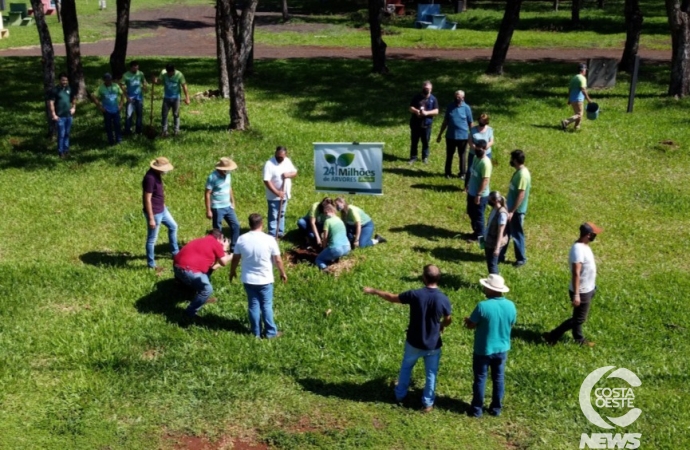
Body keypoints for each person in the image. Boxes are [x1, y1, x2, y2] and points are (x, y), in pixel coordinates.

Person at [363, 265, 452, 413]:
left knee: (406, 367)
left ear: (424, 277)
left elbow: (392, 298)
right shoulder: (443, 298)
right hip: (433, 344)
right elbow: (448, 319)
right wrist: (442, 324)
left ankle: (399, 395)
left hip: (414, 342)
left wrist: (374, 291)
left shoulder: (415, 294)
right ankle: (427, 403)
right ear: (439, 278)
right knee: (431, 373)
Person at [464, 274, 516, 418]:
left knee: (480, 378)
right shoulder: (511, 305)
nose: (484, 288)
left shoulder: (482, 306)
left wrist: (468, 321)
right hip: (502, 348)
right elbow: (511, 323)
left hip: (484, 349)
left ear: (491, 289)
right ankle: (496, 409)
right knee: (498, 379)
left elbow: (471, 325)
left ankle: (477, 409)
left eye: (486, 287)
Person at [230, 213, 288, 339]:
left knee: (253, 305)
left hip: (248, 279)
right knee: (266, 306)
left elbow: (235, 258)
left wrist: (232, 271)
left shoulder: (241, 239)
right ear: (261, 224)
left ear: (249, 224)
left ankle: (255, 332)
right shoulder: (269, 239)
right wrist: (282, 273)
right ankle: (270, 333)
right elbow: (277, 260)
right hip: (265, 279)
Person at [544, 222, 602, 347]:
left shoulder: (584, 246)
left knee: (577, 316)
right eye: (594, 234)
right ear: (588, 235)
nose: (595, 236)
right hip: (581, 290)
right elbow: (576, 273)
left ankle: (579, 339)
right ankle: (552, 335)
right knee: (579, 319)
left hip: (588, 288)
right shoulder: (578, 250)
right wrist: (576, 295)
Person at [173, 229, 233, 317]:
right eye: (223, 239)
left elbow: (212, 267)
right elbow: (223, 262)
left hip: (176, 267)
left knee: (207, 272)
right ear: (219, 238)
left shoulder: (199, 240)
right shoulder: (215, 243)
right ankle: (190, 312)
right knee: (207, 289)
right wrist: (227, 251)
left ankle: (183, 286)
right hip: (188, 270)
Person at [142, 157, 179, 269]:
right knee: (152, 239)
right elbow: (147, 198)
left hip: (162, 209)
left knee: (173, 226)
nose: (165, 171)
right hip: (155, 213)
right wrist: (151, 218)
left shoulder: (157, 174)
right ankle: (151, 264)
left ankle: (175, 252)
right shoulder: (150, 178)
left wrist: (163, 205)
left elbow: (157, 194)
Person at [501, 150, 531, 267]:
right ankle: (500, 255)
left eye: (512, 158)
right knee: (506, 232)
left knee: (517, 234)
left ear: (515, 160)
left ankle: (521, 259)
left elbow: (521, 194)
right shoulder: (519, 172)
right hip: (511, 209)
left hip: (516, 211)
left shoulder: (523, 175)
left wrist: (512, 211)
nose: (510, 161)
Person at [205, 157, 240, 253]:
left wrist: (233, 201)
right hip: (217, 207)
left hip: (228, 206)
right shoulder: (212, 177)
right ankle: (218, 250)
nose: (229, 171)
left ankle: (234, 247)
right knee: (217, 230)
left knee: (236, 225)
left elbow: (229, 188)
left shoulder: (228, 175)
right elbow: (207, 193)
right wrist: (208, 210)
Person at [436, 90, 473, 179]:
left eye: (459, 96)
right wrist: (440, 134)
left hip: (463, 137)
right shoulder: (450, 106)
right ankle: (448, 172)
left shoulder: (466, 108)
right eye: (456, 96)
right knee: (449, 155)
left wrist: (473, 136)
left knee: (462, 155)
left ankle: (462, 173)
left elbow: (470, 123)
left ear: (463, 98)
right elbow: (445, 121)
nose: (457, 98)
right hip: (450, 136)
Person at [263, 146, 298, 238]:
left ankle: (280, 232)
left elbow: (295, 172)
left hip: (285, 194)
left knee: (281, 214)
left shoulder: (287, 161)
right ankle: (272, 234)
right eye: (277, 156)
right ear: (275, 153)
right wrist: (277, 192)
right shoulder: (269, 164)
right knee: (273, 215)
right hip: (273, 196)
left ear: (285, 155)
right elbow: (266, 181)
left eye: (281, 157)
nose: (279, 158)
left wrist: (288, 174)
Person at [465, 139, 492, 242]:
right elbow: (473, 173)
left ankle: (480, 237)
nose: (477, 151)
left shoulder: (486, 163)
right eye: (476, 148)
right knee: (471, 212)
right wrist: (468, 184)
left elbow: (485, 180)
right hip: (472, 192)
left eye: (479, 149)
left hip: (480, 195)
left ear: (485, 149)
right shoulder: (476, 158)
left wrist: (478, 194)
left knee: (479, 216)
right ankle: (476, 232)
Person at [154, 63, 190, 137]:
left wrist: (187, 98)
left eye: (172, 72)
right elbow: (158, 81)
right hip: (166, 97)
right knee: (164, 114)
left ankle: (176, 131)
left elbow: (184, 86)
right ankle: (164, 131)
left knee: (176, 114)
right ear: (167, 71)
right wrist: (154, 80)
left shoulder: (179, 74)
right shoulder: (163, 73)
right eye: (169, 73)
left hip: (176, 98)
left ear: (174, 70)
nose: (170, 74)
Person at [408, 81, 439, 164]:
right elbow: (410, 108)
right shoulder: (416, 97)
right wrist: (416, 111)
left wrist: (427, 113)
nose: (426, 89)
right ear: (422, 88)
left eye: (428, 88)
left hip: (426, 124)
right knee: (414, 141)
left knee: (425, 141)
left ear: (431, 89)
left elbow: (436, 111)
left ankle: (425, 157)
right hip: (415, 123)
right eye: (425, 88)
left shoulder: (433, 99)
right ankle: (413, 157)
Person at [48, 72, 76, 158]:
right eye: (63, 80)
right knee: (61, 134)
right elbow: (51, 103)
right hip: (60, 116)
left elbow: (73, 98)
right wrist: (53, 114)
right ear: (59, 80)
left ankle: (66, 150)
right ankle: (61, 152)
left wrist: (74, 107)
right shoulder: (55, 90)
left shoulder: (69, 89)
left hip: (68, 116)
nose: (65, 82)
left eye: (66, 80)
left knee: (67, 133)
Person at [314, 204, 350, 270]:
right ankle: (335, 260)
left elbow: (325, 238)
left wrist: (324, 248)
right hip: (347, 247)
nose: (325, 215)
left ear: (329, 211)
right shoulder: (339, 220)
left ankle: (326, 269)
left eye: (325, 213)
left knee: (318, 259)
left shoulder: (327, 221)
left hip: (336, 249)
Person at [93, 73, 124, 146]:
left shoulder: (116, 86)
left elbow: (122, 94)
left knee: (117, 124)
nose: (109, 81)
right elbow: (94, 96)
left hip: (116, 109)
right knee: (108, 126)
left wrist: (121, 105)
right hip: (106, 110)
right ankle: (111, 141)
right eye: (107, 80)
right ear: (104, 80)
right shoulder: (101, 88)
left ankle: (118, 140)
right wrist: (100, 107)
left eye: (110, 80)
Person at [561, 63, 592, 131]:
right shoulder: (582, 78)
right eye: (585, 70)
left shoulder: (574, 78)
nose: (586, 71)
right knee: (579, 115)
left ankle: (576, 127)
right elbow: (583, 89)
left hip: (573, 99)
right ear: (582, 70)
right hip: (578, 99)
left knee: (578, 114)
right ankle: (566, 122)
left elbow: (570, 89)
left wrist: (569, 99)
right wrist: (588, 99)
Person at [484, 191, 509, 275]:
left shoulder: (502, 214)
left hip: (494, 243)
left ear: (496, 201)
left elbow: (500, 232)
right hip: (489, 240)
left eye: (490, 200)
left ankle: (495, 284)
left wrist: (497, 248)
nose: (489, 202)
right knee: (490, 263)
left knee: (492, 265)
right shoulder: (495, 208)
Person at [120, 60, 147, 135]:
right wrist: (126, 95)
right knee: (129, 115)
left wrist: (144, 86)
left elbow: (144, 81)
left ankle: (138, 130)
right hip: (130, 98)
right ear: (131, 68)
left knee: (139, 115)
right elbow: (121, 85)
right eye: (134, 68)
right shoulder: (126, 75)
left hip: (139, 97)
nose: (136, 69)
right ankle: (127, 131)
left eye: (137, 67)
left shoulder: (140, 73)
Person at [467, 113, 494, 181]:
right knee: (470, 170)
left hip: (486, 154)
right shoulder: (473, 130)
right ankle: (466, 187)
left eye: (484, 121)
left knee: (485, 171)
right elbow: (470, 141)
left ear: (486, 121)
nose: (482, 122)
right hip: (474, 153)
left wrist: (484, 148)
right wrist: (475, 148)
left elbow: (491, 141)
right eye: (481, 120)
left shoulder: (489, 130)